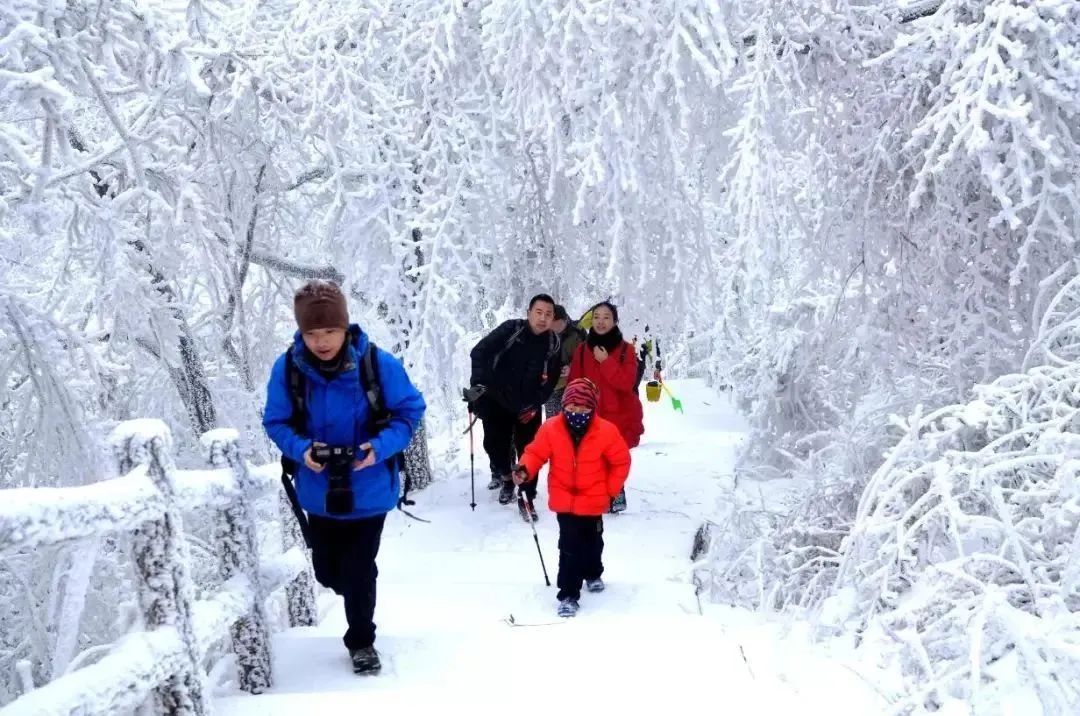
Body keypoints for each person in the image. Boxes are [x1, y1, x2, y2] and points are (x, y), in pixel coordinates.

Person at [263, 280, 426, 675]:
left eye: (330, 331)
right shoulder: (288, 369)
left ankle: (361, 641)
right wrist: (301, 449)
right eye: (312, 333)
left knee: (358, 567)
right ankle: (352, 588)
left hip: (369, 489)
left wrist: (379, 448)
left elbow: (410, 411)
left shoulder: (377, 364)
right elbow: (275, 421)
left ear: (345, 326)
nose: (322, 341)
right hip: (318, 491)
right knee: (328, 571)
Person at [512, 379, 631, 617]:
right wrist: (524, 469)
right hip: (564, 498)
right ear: (564, 406)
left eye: (584, 409)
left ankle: (593, 572)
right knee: (569, 546)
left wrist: (610, 490)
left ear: (592, 408)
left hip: (595, 499)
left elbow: (621, 462)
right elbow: (535, 452)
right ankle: (568, 594)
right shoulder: (551, 429)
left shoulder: (606, 431)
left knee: (593, 542)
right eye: (572, 409)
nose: (577, 414)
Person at [466, 294, 562, 512]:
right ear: (529, 313)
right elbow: (479, 352)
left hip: (528, 406)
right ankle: (507, 478)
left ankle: (527, 495)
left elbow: (552, 379)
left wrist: (536, 403)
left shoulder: (553, 343)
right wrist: (479, 385)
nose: (543, 318)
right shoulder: (511, 330)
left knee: (530, 451)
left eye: (548, 314)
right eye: (538, 312)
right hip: (497, 400)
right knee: (494, 445)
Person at [567, 301, 643, 513]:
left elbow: (627, 383)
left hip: (618, 414)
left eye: (606, 317)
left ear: (615, 321)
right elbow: (575, 382)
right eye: (597, 317)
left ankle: (616, 491)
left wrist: (606, 361)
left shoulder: (626, 350)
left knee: (614, 457)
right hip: (590, 414)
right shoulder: (582, 350)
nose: (600, 321)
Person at [543, 304, 587, 420]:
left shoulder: (577, 333)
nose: (553, 330)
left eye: (556, 326)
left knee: (572, 422)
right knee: (553, 424)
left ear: (564, 320)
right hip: (552, 386)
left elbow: (587, 358)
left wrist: (572, 367)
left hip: (574, 386)